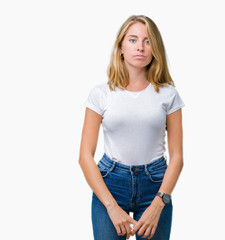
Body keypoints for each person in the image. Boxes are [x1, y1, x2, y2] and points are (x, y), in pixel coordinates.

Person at [79, 14, 185, 240]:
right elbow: (85, 156)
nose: (141, 47)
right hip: (110, 184)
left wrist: (159, 204)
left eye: (148, 41)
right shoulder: (101, 94)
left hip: (155, 185)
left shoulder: (168, 95)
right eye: (133, 40)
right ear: (121, 48)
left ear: (155, 48)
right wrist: (111, 206)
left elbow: (177, 158)